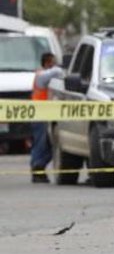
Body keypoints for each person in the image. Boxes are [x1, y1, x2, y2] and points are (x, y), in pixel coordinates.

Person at [30, 52, 65, 184]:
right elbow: (56, 72)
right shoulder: (41, 75)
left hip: (45, 114)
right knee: (41, 144)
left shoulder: (46, 74)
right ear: (47, 63)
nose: (54, 64)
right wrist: (59, 69)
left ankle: (38, 169)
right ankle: (37, 171)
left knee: (45, 144)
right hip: (40, 114)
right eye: (52, 62)